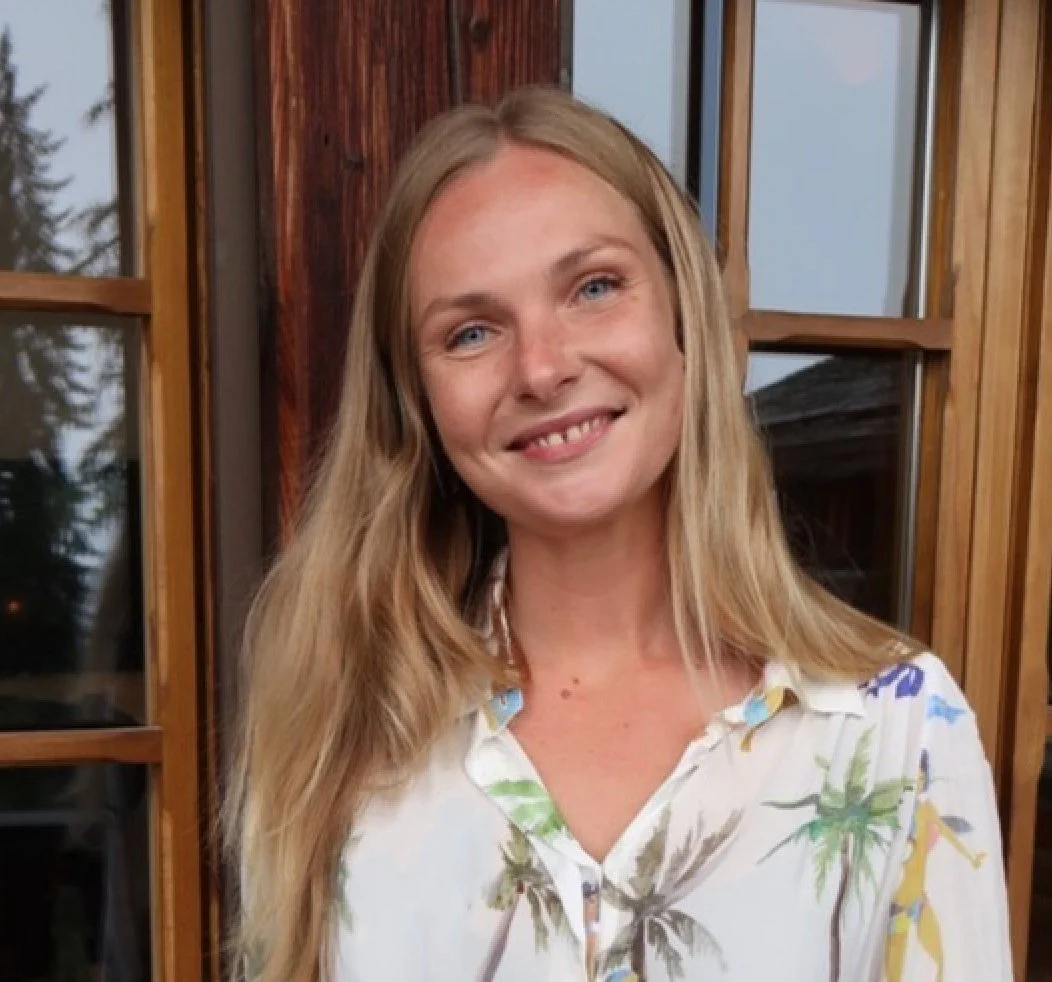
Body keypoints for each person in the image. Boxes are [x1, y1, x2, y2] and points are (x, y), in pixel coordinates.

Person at [226, 87, 1012, 982]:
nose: (543, 367)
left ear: (683, 315)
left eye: (594, 287)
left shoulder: (899, 732)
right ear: (417, 399)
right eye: (472, 331)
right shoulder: (340, 727)